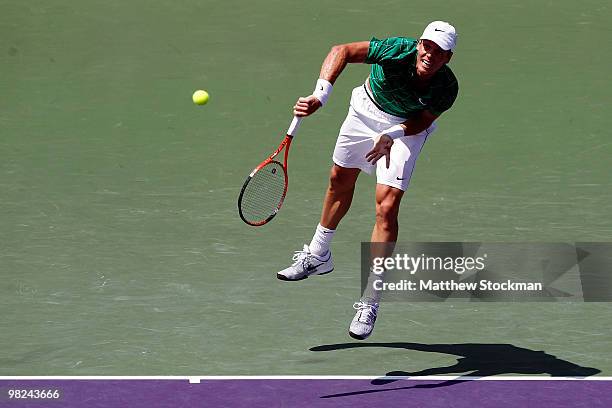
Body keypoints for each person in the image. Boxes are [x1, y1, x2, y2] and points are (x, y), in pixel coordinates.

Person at [277, 21, 459, 340]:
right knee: (339, 180)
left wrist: (391, 134)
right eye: (427, 46)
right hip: (364, 112)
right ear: (419, 44)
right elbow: (342, 51)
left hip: (403, 130)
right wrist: (321, 95)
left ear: (448, 58)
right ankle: (318, 255)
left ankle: (370, 300)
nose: (431, 54)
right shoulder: (397, 50)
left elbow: (422, 121)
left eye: (440, 52)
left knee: (386, 208)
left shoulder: (446, 88)